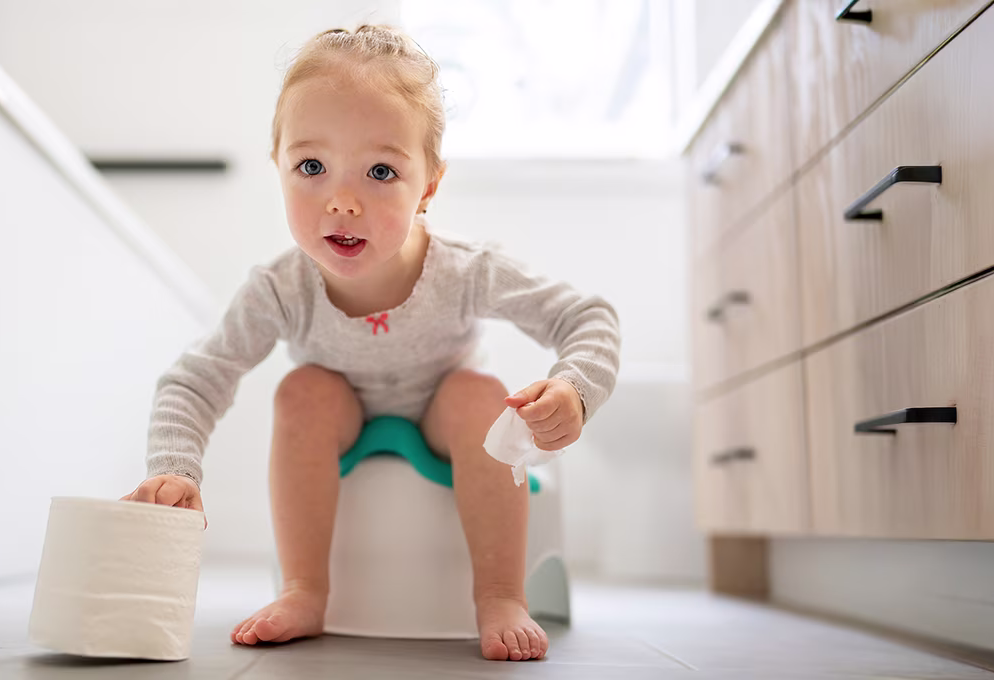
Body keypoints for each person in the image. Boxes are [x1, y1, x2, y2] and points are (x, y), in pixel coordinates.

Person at [123, 24, 621, 662]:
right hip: (342, 418)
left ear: (429, 187)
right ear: (277, 164)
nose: (343, 201)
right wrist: (174, 468)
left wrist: (576, 388)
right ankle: (305, 589)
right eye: (311, 167)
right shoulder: (280, 288)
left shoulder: (466, 271)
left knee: (479, 395)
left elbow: (586, 316)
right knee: (303, 390)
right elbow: (197, 378)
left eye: (381, 171)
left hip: (444, 411)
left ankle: (500, 592)